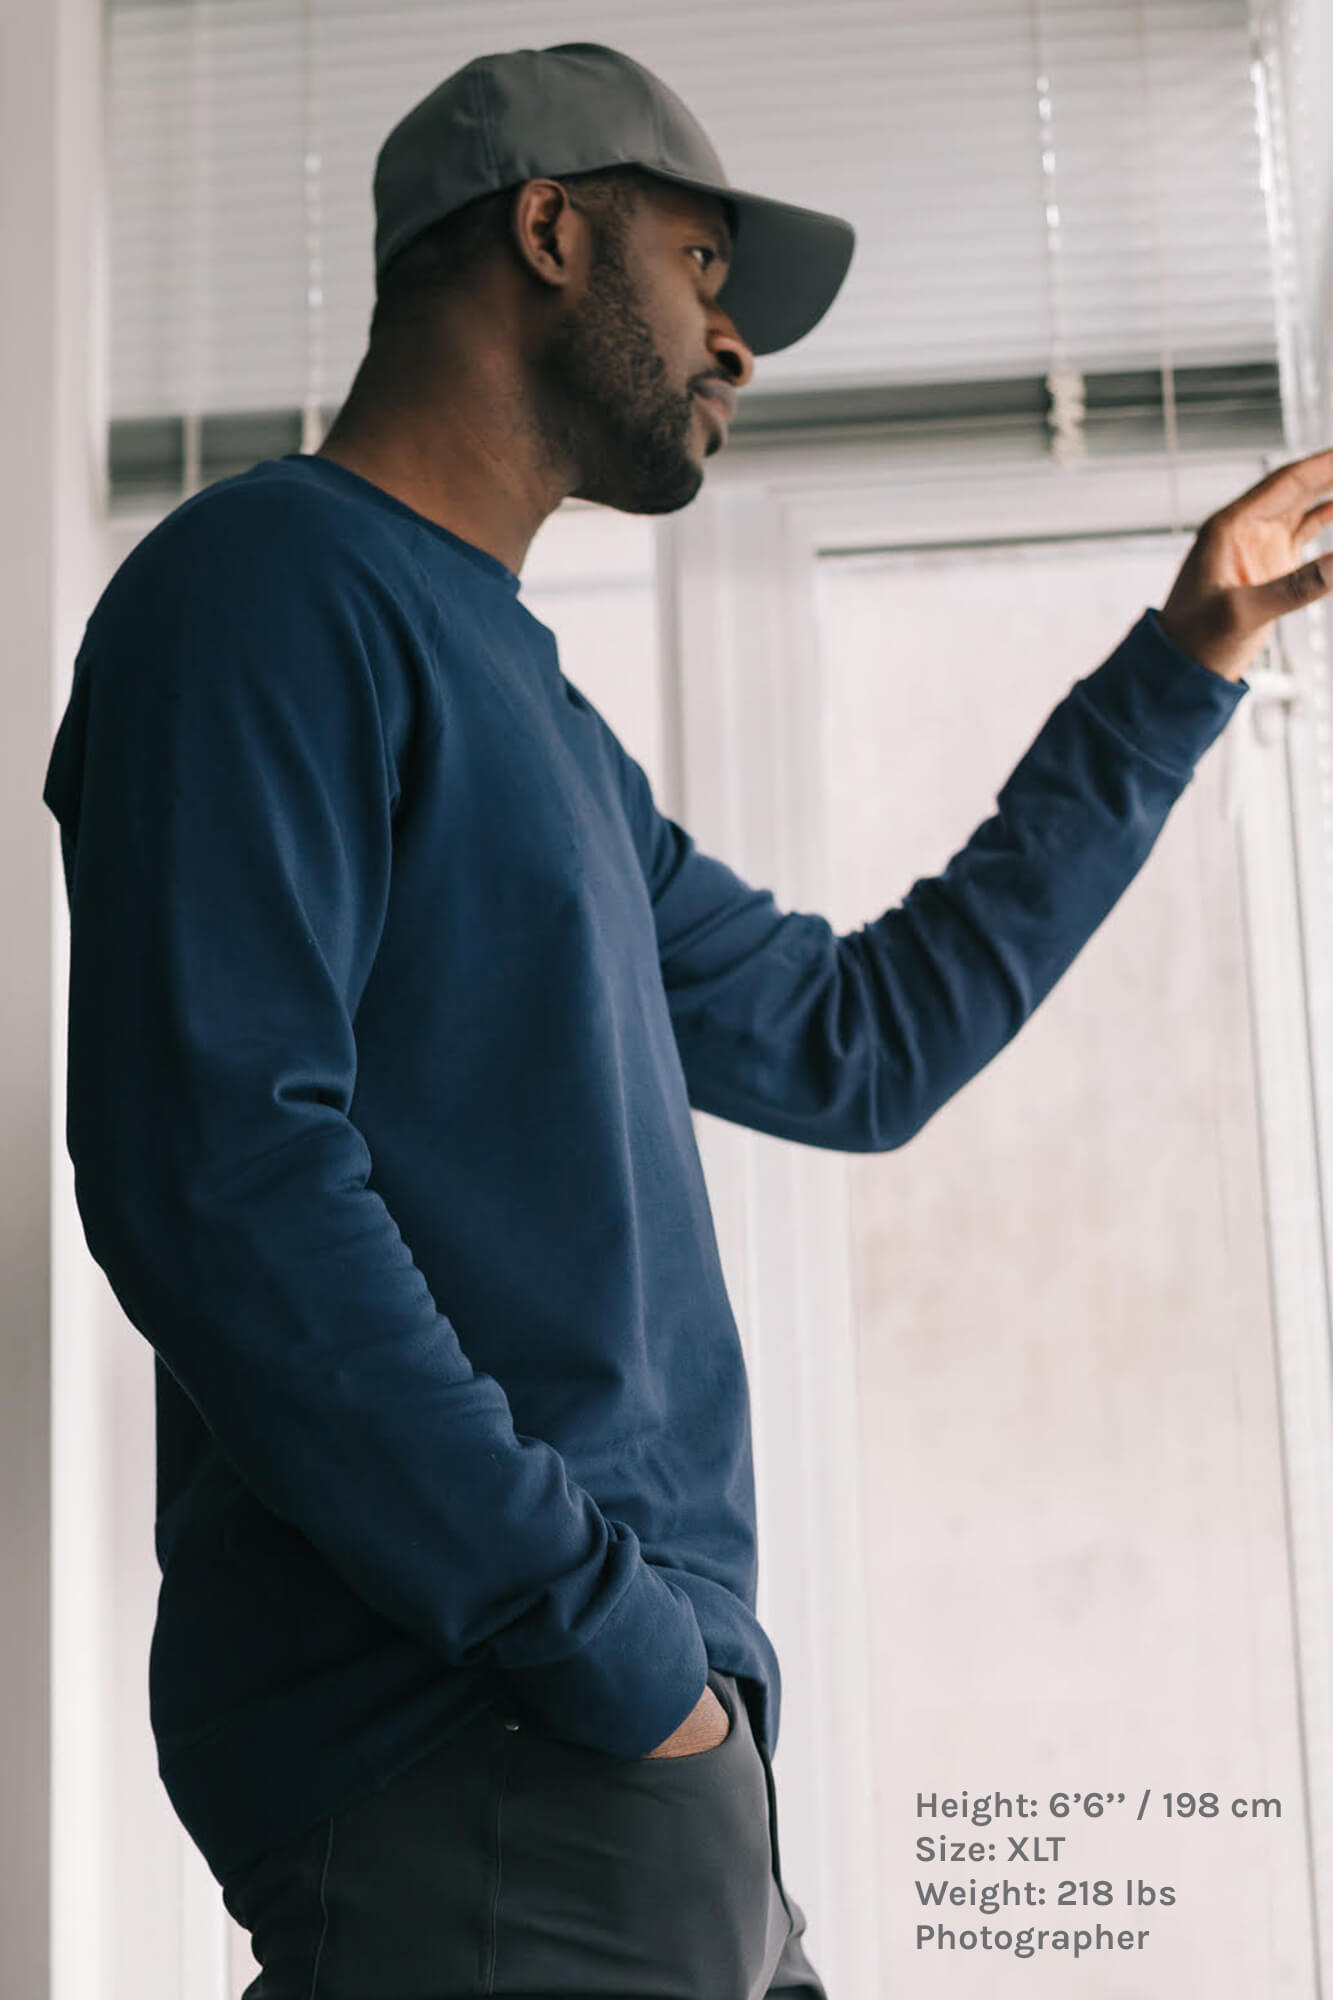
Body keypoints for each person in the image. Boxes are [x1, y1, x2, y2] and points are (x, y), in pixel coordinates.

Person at [41, 37, 1333, 2000]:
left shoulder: (545, 729)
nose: (738, 345)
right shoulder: (265, 589)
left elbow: (858, 1039)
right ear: (549, 230)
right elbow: (216, 1174)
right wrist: (598, 1641)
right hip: (482, 1738)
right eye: (702, 270)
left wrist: (1181, 661)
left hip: (627, 1767)